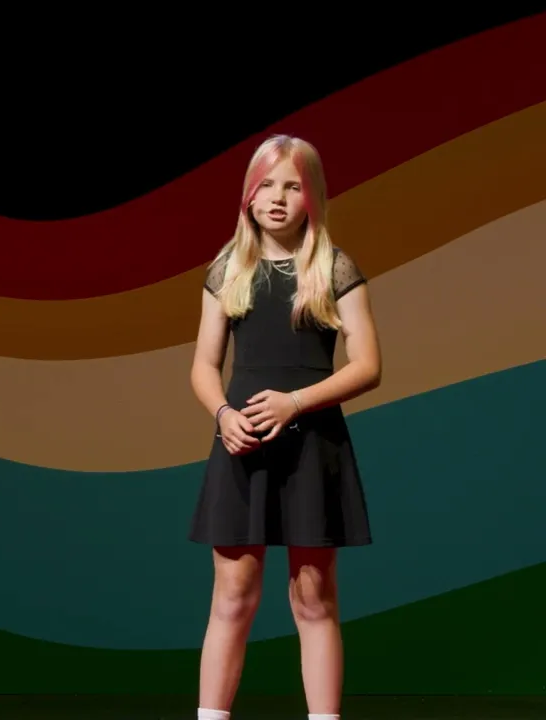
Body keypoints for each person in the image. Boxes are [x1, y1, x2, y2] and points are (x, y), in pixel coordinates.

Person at [187, 135, 382, 720]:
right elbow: (203, 366)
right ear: (248, 196)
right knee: (232, 596)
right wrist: (224, 415)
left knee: (314, 597)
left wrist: (295, 403)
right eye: (266, 185)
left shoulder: (335, 268)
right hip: (241, 444)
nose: (277, 198)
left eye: (293, 186)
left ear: (313, 196)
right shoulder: (227, 270)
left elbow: (368, 366)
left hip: (312, 444)